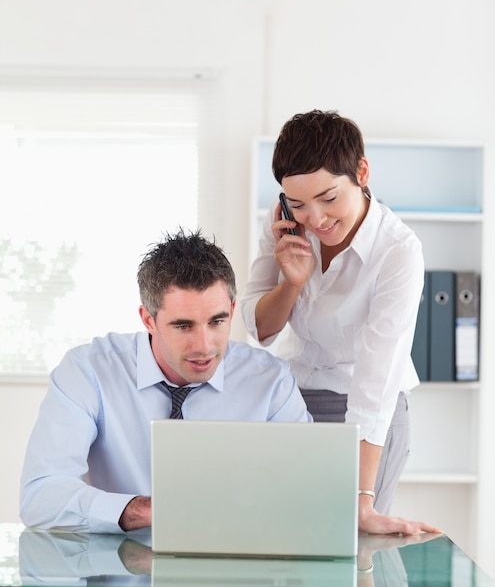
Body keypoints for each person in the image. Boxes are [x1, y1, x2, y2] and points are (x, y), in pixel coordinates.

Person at [20, 229, 311, 534]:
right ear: (148, 320)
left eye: (217, 321)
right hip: (122, 571)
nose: (204, 345)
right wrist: (142, 511)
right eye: (183, 326)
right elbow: (40, 496)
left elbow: (308, 492)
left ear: (233, 311)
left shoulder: (271, 382)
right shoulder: (88, 372)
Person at [241, 110, 441, 536]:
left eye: (329, 198)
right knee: (291, 549)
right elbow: (260, 330)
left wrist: (360, 500)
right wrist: (291, 283)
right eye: (298, 203)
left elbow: (377, 378)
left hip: (366, 410)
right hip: (293, 401)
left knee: (351, 542)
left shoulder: (398, 251)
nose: (315, 218)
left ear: (362, 172)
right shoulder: (284, 224)